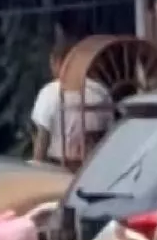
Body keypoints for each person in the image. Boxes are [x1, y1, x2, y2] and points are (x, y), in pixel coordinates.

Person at [31, 41, 112, 169]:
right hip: (94, 167)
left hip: (59, 168)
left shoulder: (49, 92)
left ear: (58, 62)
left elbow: (42, 139)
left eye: (52, 64)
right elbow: (109, 133)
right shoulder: (101, 91)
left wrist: (36, 168)